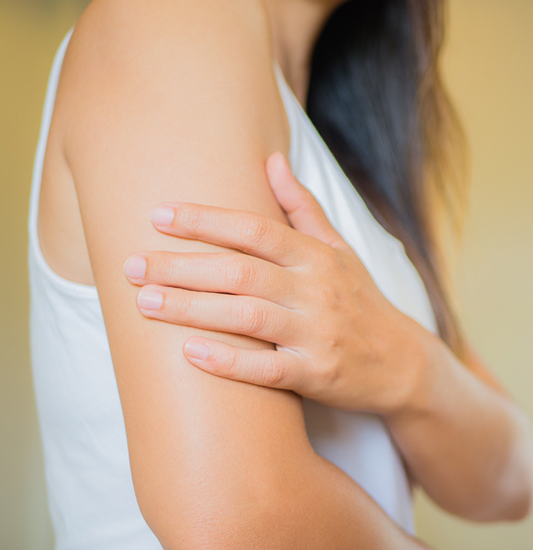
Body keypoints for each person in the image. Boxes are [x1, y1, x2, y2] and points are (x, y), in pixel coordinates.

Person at [29, 0, 532, 548]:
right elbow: (234, 520)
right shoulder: (170, 20)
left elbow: (511, 477)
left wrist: (406, 364)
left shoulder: (352, 151)